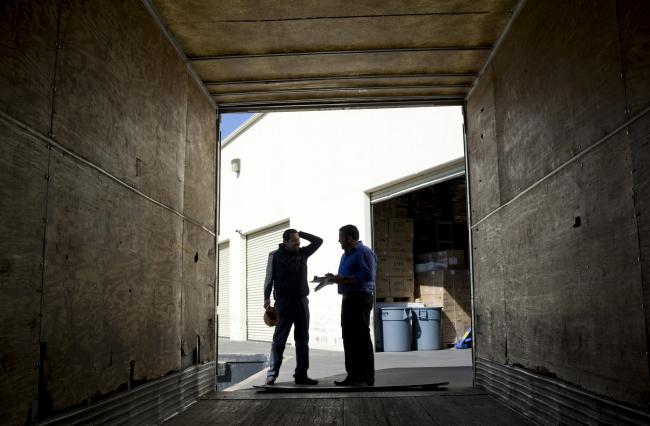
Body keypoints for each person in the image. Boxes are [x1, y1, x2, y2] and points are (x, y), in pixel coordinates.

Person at [264, 229, 323, 385]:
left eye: (298, 240)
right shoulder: (275, 256)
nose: (298, 243)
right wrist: (266, 298)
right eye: (294, 240)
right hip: (283, 303)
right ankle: (272, 374)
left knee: (302, 340)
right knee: (279, 340)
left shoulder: (303, 253)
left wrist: (301, 233)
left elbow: (319, 241)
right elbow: (269, 279)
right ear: (285, 242)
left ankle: (301, 375)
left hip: (302, 302)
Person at [326, 224, 377, 386]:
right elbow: (346, 276)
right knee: (348, 337)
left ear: (349, 238)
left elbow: (368, 275)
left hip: (360, 298)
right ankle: (353, 375)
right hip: (348, 298)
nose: (339, 240)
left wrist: (344, 280)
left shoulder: (363, 252)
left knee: (361, 337)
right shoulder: (345, 255)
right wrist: (335, 278)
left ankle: (366, 377)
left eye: (341, 237)